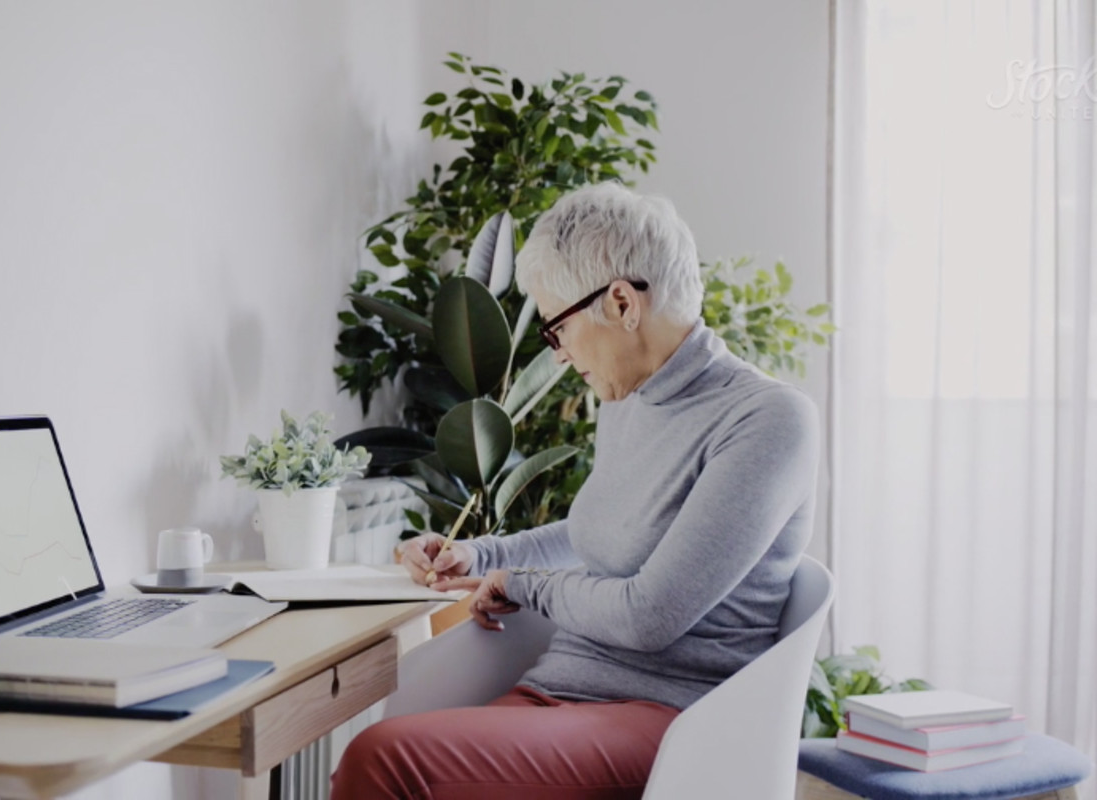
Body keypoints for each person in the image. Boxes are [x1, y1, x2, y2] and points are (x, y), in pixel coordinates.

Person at [331, 181, 820, 800]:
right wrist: (482, 557)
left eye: (556, 328)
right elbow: (596, 536)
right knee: (370, 763)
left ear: (621, 302)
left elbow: (651, 617)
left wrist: (524, 586)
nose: (558, 356)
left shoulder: (768, 421)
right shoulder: (626, 399)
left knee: (385, 758)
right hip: (561, 693)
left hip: (670, 719)